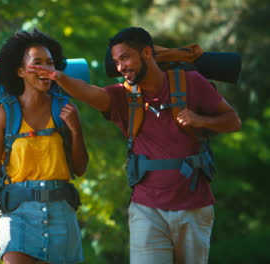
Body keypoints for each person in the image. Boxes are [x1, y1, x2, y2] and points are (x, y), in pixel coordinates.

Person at [28, 27, 241, 264]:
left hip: (193, 206)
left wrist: (200, 120)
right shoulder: (124, 97)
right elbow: (90, 93)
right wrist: (58, 76)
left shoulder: (190, 82)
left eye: (126, 57)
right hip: (146, 209)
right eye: (117, 61)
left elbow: (233, 121)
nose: (121, 67)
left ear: (147, 53)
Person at [0, 29, 89, 264]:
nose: (45, 68)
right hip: (17, 213)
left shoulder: (66, 110)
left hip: (62, 213)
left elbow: (80, 168)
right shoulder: (3, 115)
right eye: (37, 63)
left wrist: (76, 130)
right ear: (20, 71)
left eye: (50, 63)